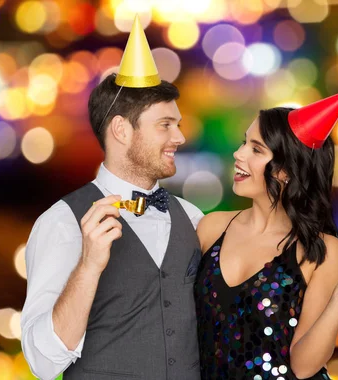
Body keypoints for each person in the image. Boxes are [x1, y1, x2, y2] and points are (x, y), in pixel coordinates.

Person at [21, 16, 203, 379]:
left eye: (178, 124)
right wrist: (88, 266)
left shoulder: (193, 217)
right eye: (165, 125)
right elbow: (42, 364)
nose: (179, 137)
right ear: (121, 129)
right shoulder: (60, 223)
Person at [195, 90, 338, 379]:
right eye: (243, 143)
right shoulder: (211, 228)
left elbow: (303, 367)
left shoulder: (322, 250)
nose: (238, 154)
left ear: (286, 171)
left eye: (256, 149)